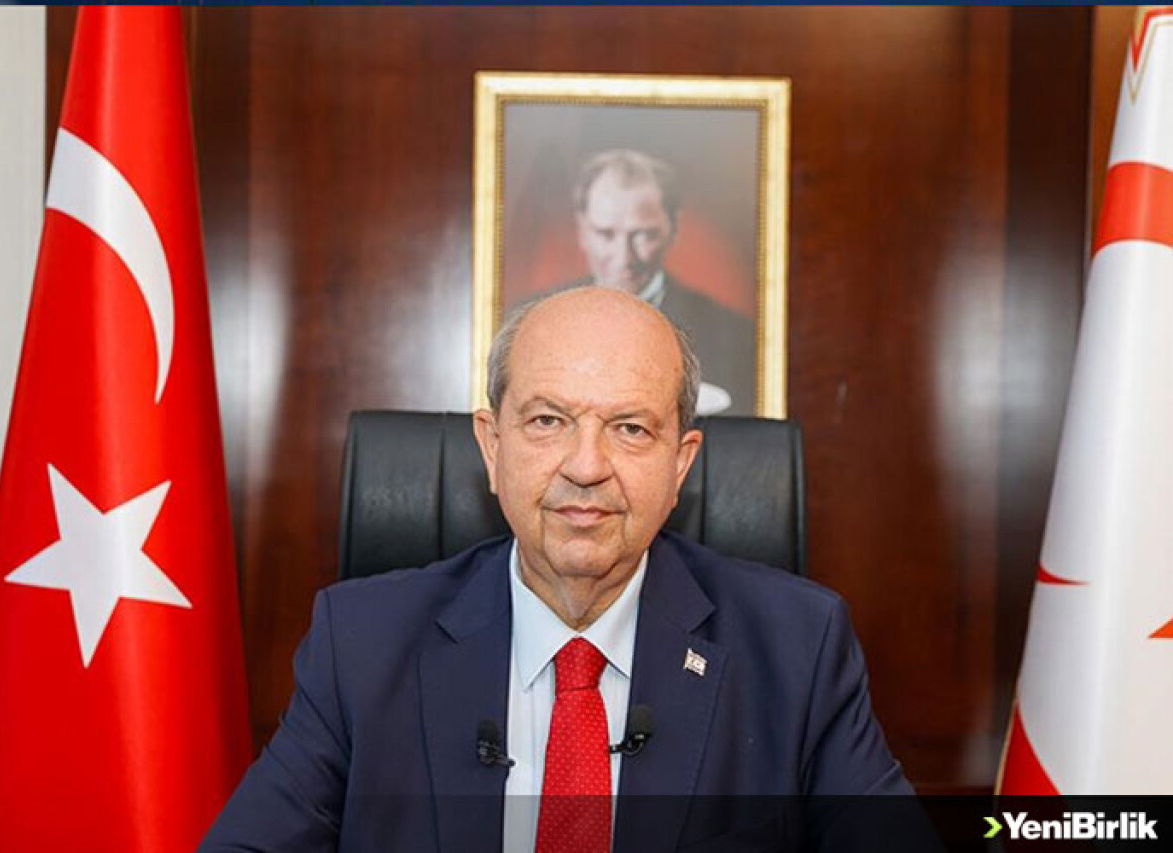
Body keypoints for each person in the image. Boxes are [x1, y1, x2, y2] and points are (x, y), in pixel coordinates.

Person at [201, 289, 914, 853]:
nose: (586, 465)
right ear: (492, 446)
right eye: (548, 421)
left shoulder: (797, 649)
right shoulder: (360, 645)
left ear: (681, 464)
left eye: (630, 428)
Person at [567, 149, 756, 416]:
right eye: (605, 234)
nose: (624, 257)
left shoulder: (732, 336)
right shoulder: (531, 325)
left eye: (643, 235)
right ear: (582, 230)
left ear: (673, 229)